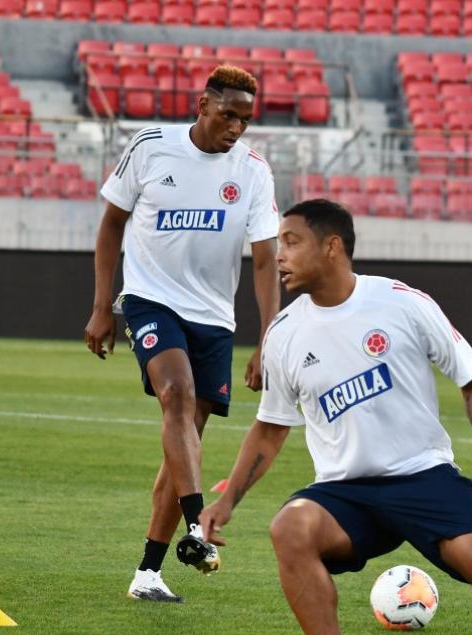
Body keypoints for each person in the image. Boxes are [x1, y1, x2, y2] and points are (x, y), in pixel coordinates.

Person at [198, 200, 472, 635]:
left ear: (332, 247)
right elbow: (270, 429)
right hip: (345, 492)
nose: (279, 255)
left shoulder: (402, 302)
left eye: (292, 242)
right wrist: (227, 502)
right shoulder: (284, 334)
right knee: (289, 527)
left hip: (423, 477)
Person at [82, 65, 281, 603]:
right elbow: (110, 224)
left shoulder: (254, 172)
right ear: (202, 104)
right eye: (228, 114)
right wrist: (105, 307)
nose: (236, 127)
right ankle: (199, 527)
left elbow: (266, 260)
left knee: (184, 444)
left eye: (245, 119)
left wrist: (268, 337)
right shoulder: (149, 146)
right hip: (150, 301)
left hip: (214, 319)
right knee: (176, 395)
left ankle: (148, 572)